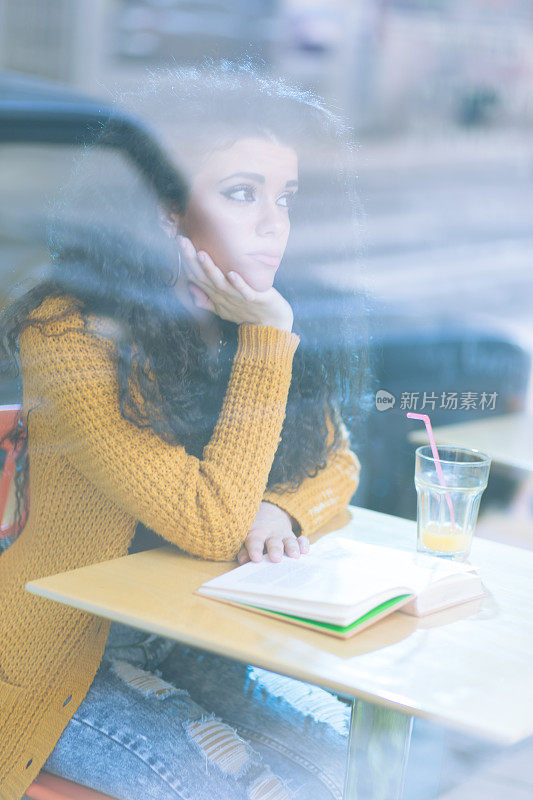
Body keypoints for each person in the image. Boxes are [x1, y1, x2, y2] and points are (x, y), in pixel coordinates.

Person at [0, 60, 369, 800]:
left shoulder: (251, 316)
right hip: (65, 652)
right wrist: (269, 340)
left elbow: (337, 464)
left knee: (350, 770)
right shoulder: (66, 331)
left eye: (284, 198)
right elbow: (206, 521)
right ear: (164, 210)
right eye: (241, 194)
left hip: (196, 642)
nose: (274, 225)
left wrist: (283, 507)